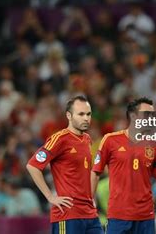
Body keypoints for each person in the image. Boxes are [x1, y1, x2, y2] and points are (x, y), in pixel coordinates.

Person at [91, 97, 156, 234]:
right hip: (118, 216)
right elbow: (95, 173)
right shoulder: (110, 140)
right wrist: (90, 203)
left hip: (146, 217)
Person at [26, 96, 102, 234]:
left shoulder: (87, 139)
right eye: (81, 114)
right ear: (69, 115)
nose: (86, 118)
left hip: (90, 213)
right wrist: (50, 197)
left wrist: (91, 197)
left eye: (88, 114)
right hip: (68, 214)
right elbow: (32, 165)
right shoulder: (59, 139)